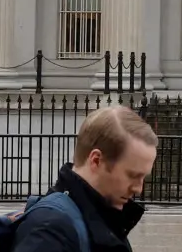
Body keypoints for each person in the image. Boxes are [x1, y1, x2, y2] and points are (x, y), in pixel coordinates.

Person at [14, 105, 159, 252]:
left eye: (143, 177)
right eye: (132, 175)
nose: (138, 189)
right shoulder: (50, 230)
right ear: (96, 160)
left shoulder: (102, 217)